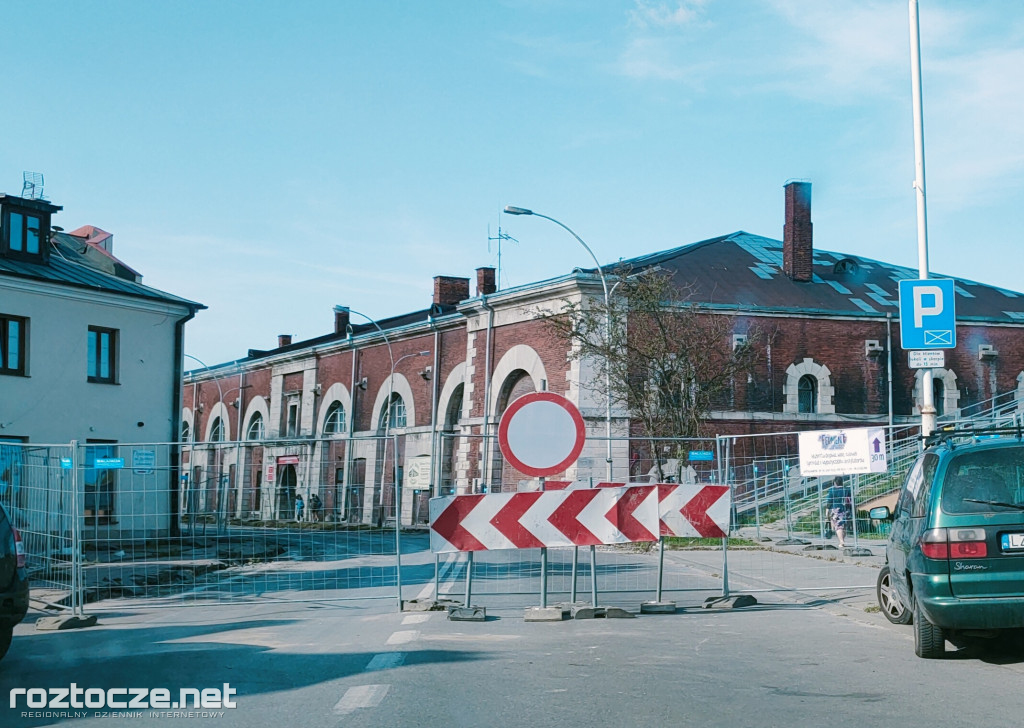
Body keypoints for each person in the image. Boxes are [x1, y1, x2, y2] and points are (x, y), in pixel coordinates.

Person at [827, 476, 852, 548]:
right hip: (846, 509)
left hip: (836, 509)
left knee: (838, 526)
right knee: (844, 526)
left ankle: (841, 541)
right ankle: (842, 541)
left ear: (835, 482)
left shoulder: (832, 490)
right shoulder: (847, 490)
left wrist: (827, 511)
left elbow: (829, 502)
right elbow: (850, 500)